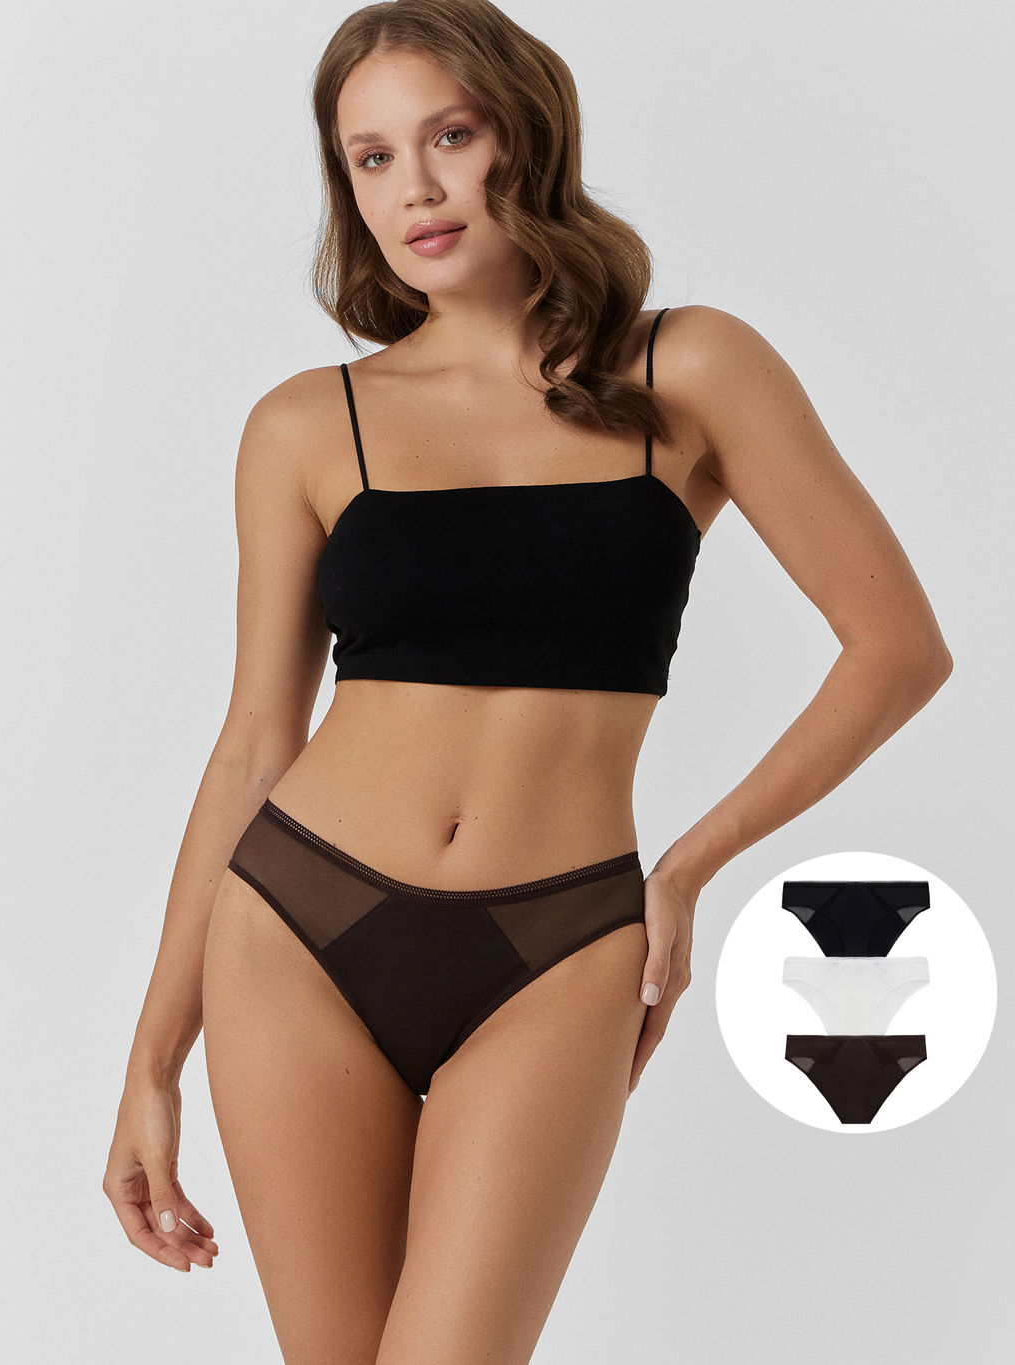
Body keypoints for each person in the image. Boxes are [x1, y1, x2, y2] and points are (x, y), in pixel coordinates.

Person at [102, 2, 953, 1360]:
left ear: (527, 135)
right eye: (372, 158)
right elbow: (255, 744)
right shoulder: (308, 424)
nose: (416, 187)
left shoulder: (689, 366)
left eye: (450, 136)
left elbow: (899, 648)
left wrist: (687, 868)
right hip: (298, 927)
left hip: (561, 941)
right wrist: (152, 1063)